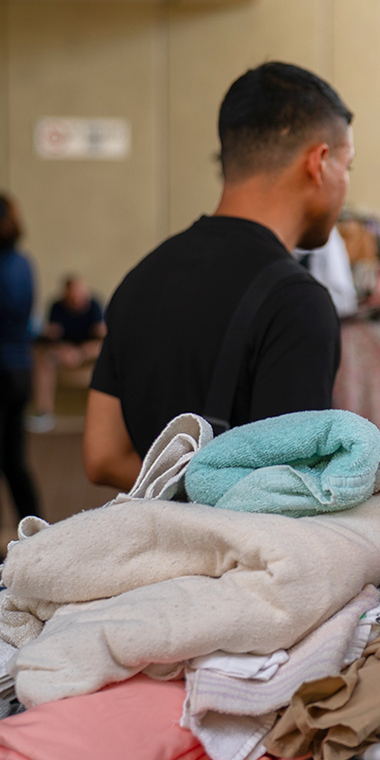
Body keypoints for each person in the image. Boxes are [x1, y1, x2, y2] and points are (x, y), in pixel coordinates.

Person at [84, 61, 350, 490]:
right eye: (348, 165)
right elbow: (287, 494)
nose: (346, 184)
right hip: (241, 558)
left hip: (148, 546)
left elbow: (102, 456)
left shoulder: (139, 279)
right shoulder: (297, 301)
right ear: (318, 162)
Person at [0, 196, 40, 519]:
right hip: (20, 371)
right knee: (13, 461)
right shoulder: (24, 263)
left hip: (3, 372)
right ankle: (36, 533)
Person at [28, 273, 106, 431]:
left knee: (105, 352)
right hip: (63, 352)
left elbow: (103, 337)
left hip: (87, 353)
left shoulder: (94, 305)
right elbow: (51, 337)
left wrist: (82, 352)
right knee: (44, 359)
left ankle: (104, 417)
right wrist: (64, 350)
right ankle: (45, 412)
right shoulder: (57, 307)